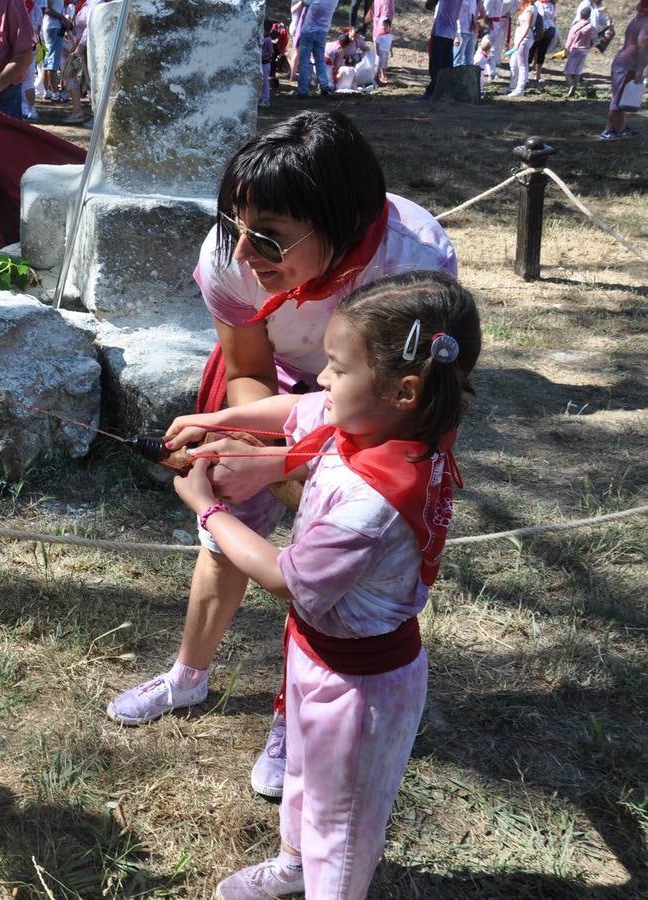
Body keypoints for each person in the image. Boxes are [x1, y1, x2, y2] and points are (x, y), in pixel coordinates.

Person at [106, 112, 457, 804]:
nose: (243, 254)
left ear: (343, 220)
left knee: (321, 566)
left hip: (377, 407)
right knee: (229, 532)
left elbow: (397, 409)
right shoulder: (228, 257)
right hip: (276, 392)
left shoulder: (413, 265)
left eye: (266, 236)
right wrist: (253, 449)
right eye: (234, 225)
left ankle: (291, 718)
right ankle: (187, 675)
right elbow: (247, 366)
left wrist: (305, 477)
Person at [192, 272, 481, 900]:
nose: (321, 379)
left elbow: (285, 576)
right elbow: (303, 413)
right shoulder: (388, 422)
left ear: (403, 390)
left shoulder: (371, 501)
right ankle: (296, 865)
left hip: (362, 688)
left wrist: (208, 510)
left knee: (342, 824)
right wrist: (218, 417)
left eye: (335, 367)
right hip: (319, 652)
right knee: (304, 775)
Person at [600, 0, 647, 139]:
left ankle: (622, 128)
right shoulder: (646, 22)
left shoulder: (638, 19)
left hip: (625, 63)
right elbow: (642, 46)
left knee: (623, 98)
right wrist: (641, 70)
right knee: (618, 98)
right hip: (627, 65)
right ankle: (608, 130)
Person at [295, 0, 335, 96]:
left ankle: (303, 90)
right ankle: (324, 86)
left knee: (304, 62)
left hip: (308, 30)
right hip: (323, 31)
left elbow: (303, 3)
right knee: (320, 60)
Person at [424, 0, 463, 98]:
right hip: (450, 34)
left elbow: (428, 6)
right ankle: (445, 92)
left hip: (441, 32)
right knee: (447, 65)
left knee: (436, 65)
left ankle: (432, 92)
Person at [507, 0, 538, 95]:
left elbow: (527, 26)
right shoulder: (526, 8)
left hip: (524, 40)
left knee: (522, 65)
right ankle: (512, 86)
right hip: (520, 40)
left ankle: (519, 89)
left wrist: (519, 41)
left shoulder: (530, 9)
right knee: (513, 63)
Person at [564, 4, 594, 95]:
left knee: (568, 71)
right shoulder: (591, 27)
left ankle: (571, 86)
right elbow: (595, 39)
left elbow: (569, 41)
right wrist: (590, 45)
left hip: (575, 49)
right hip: (585, 50)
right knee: (577, 71)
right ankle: (574, 88)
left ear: (580, 15)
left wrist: (566, 51)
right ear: (589, 16)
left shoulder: (575, 27)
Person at [454, 0, 479, 67]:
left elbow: (474, 14)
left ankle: (465, 77)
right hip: (461, 32)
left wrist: (475, 24)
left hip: (472, 32)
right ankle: (456, 76)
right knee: (457, 61)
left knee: (469, 61)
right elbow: (454, 16)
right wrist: (455, 35)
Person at [375, 16, 394, 83]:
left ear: (390, 27)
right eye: (383, 25)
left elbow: (390, 44)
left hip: (386, 52)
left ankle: (383, 76)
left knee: (384, 64)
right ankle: (377, 76)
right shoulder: (380, 35)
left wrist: (391, 51)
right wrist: (377, 51)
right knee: (379, 64)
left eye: (386, 26)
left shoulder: (390, 36)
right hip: (381, 52)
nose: (384, 27)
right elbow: (377, 43)